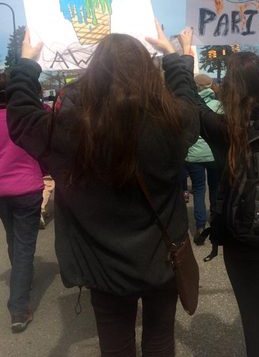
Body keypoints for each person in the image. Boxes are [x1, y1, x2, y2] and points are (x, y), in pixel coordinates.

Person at [6, 25, 199, 357]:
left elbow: (22, 118)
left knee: (116, 345)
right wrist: (174, 57)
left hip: (104, 268)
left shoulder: (73, 130)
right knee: (159, 338)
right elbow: (189, 102)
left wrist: (27, 64)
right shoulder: (173, 123)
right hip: (162, 259)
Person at [184, 30, 259, 357]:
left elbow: (189, 102)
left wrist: (186, 57)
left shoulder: (227, 129)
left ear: (231, 88)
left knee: (253, 310)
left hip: (241, 237)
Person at [0, 72, 44, 333]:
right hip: (26, 187)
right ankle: (18, 307)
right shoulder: (25, 118)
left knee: (12, 237)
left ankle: (21, 281)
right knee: (25, 245)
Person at [180, 73, 222, 245]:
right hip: (213, 154)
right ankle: (216, 223)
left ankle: (199, 227)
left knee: (198, 190)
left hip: (193, 155)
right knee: (215, 189)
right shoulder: (219, 105)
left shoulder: (188, 106)